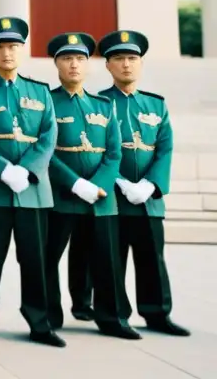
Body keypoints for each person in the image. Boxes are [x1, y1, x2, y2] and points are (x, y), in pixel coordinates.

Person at [0, 17, 63, 347]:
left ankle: (40, 322)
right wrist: (2, 168)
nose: (7, 52)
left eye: (13, 46)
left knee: (36, 260)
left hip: (33, 191)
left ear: (22, 49)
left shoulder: (39, 91)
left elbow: (49, 134)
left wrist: (27, 169)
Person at [43, 32, 138, 340]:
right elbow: (46, 151)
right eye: (67, 59)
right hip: (60, 197)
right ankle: (47, 317)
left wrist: (97, 185)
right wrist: (74, 183)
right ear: (56, 63)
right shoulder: (47, 102)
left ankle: (112, 318)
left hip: (100, 199)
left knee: (107, 261)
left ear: (89, 65)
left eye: (80, 59)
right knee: (48, 259)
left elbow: (114, 153)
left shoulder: (104, 105)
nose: (74, 65)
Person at [97, 29, 189, 336]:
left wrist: (150, 186)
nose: (126, 64)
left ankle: (157, 314)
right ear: (108, 65)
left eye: (132, 58)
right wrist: (122, 183)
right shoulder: (98, 104)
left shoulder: (156, 105)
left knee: (152, 257)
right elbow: (99, 152)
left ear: (141, 63)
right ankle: (113, 317)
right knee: (111, 261)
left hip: (148, 199)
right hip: (112, 197)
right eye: (119, 58)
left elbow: (165, 149)